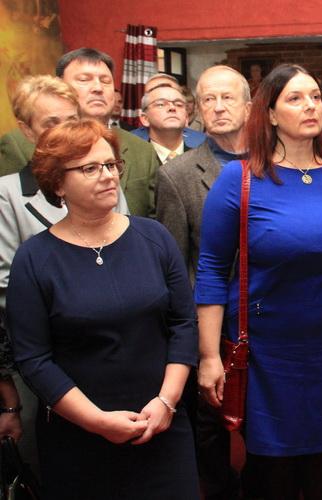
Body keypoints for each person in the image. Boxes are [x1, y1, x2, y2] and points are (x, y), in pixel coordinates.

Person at [194, 63, 322, 499]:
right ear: (270, 113)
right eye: (295, 98)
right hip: (266, 353)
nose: (311, 106)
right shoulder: (240, 179)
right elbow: (211, 268)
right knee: (272, 474)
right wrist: (208, 356)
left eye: (315, 96)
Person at [5, 119, 198, 499]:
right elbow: (33, 358)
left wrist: (166, 401)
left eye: (111, 164)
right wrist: (96, 421)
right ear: (58, 183)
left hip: (162, 422)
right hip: (78, 435)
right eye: (90, 168)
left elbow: (183, 323)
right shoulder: (34, 258)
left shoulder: (154, 237)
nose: (108, 176)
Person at [155, 64, 251, 500]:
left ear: (249, 106)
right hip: (212, 320)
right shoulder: (177, 175)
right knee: (211, 423)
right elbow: (174, 264)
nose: (218, 107)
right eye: (208, 99)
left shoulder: (279, 162)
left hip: (270, 312)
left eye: (227, 97)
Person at [54, 47, 161, 217]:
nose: (98, 88)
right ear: (60, 87)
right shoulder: (31, 146)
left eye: (105, 81)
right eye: (84, 79)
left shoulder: (142, 150)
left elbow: (156, 216)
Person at [131, 73, 206, 149]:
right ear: (145, 117)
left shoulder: (204, 143)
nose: (171, 107)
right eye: (160, 103)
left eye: (177, 103)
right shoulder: (129, 144)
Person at [140, 84, 190, 164]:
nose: (172, 108)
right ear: (145, 119)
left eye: (179, 105)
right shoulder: (134, 160)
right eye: (161, 104)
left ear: (186, 118)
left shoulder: (202, 158)